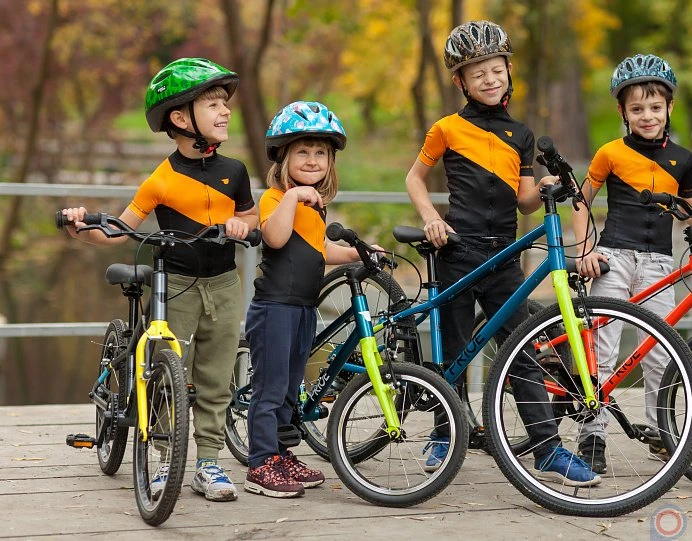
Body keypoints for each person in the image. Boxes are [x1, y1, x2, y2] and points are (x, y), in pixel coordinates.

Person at [405, 20, 600, 486]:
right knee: (452, 349)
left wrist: (549, 187)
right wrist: (431, 216)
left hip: (505, 255)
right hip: (457, 251)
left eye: (497, 70)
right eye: (478, 73)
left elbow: (525, 200)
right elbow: (414, 178)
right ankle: (442, 432)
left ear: (508, 71)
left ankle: (547, 449)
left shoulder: (522, 135)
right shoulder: (446, 129)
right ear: (461, 82)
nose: (490, 79)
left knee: (524, 351)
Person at [60, 58, 258, 502]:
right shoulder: (161, 180)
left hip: (225, 285)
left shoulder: (236, 171)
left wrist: (244, 224)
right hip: (177, 287)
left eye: (225, 103)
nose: (225, 111)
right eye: (213, 104)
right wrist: (81, 225)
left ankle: (207, 463)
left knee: (217, 378)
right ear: (180, 118)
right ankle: (167, 459)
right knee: (166, 377)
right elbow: (118, 230)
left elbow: (249, 214)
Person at [571, 53, 692, 474]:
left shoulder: (683, 158)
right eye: (637, 109)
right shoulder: (610, 152)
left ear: (670, 108)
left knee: (661, 353)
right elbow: (581, 201)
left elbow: (689, 209)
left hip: (660, 262)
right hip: (613, 257)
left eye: (655, 107)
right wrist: (585, 249)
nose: (647, 116)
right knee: (602, 349)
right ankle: (592, 437)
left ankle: (663, 434)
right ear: (623, 112)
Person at [243, 101, 375, 497]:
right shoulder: (274, 198)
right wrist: (292, 197)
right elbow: (276, 238)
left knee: (290, 386)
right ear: (284, 158)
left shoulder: (315, 207)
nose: (313, 159)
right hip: (274, 307)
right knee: (270, 387)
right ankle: (260, 462)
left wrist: (358, 252)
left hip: (303, 307)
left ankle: (281, 453)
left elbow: (318, 251)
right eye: (303, 151)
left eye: (321, 153)